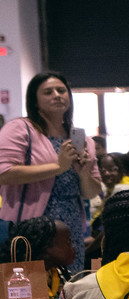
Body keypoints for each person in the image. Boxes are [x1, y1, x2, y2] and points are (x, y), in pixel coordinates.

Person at [0, 70, 101, 245]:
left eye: (61, 91)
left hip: (72, 226)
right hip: (29, 226)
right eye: (48, 92)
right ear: (35, 101)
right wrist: (58, 167)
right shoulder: (20, 129)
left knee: (71, 273)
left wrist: (83, 173)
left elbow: (91, 192)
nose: (57, 96)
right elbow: (5, 174)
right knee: (33, 272)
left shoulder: (83, 140)